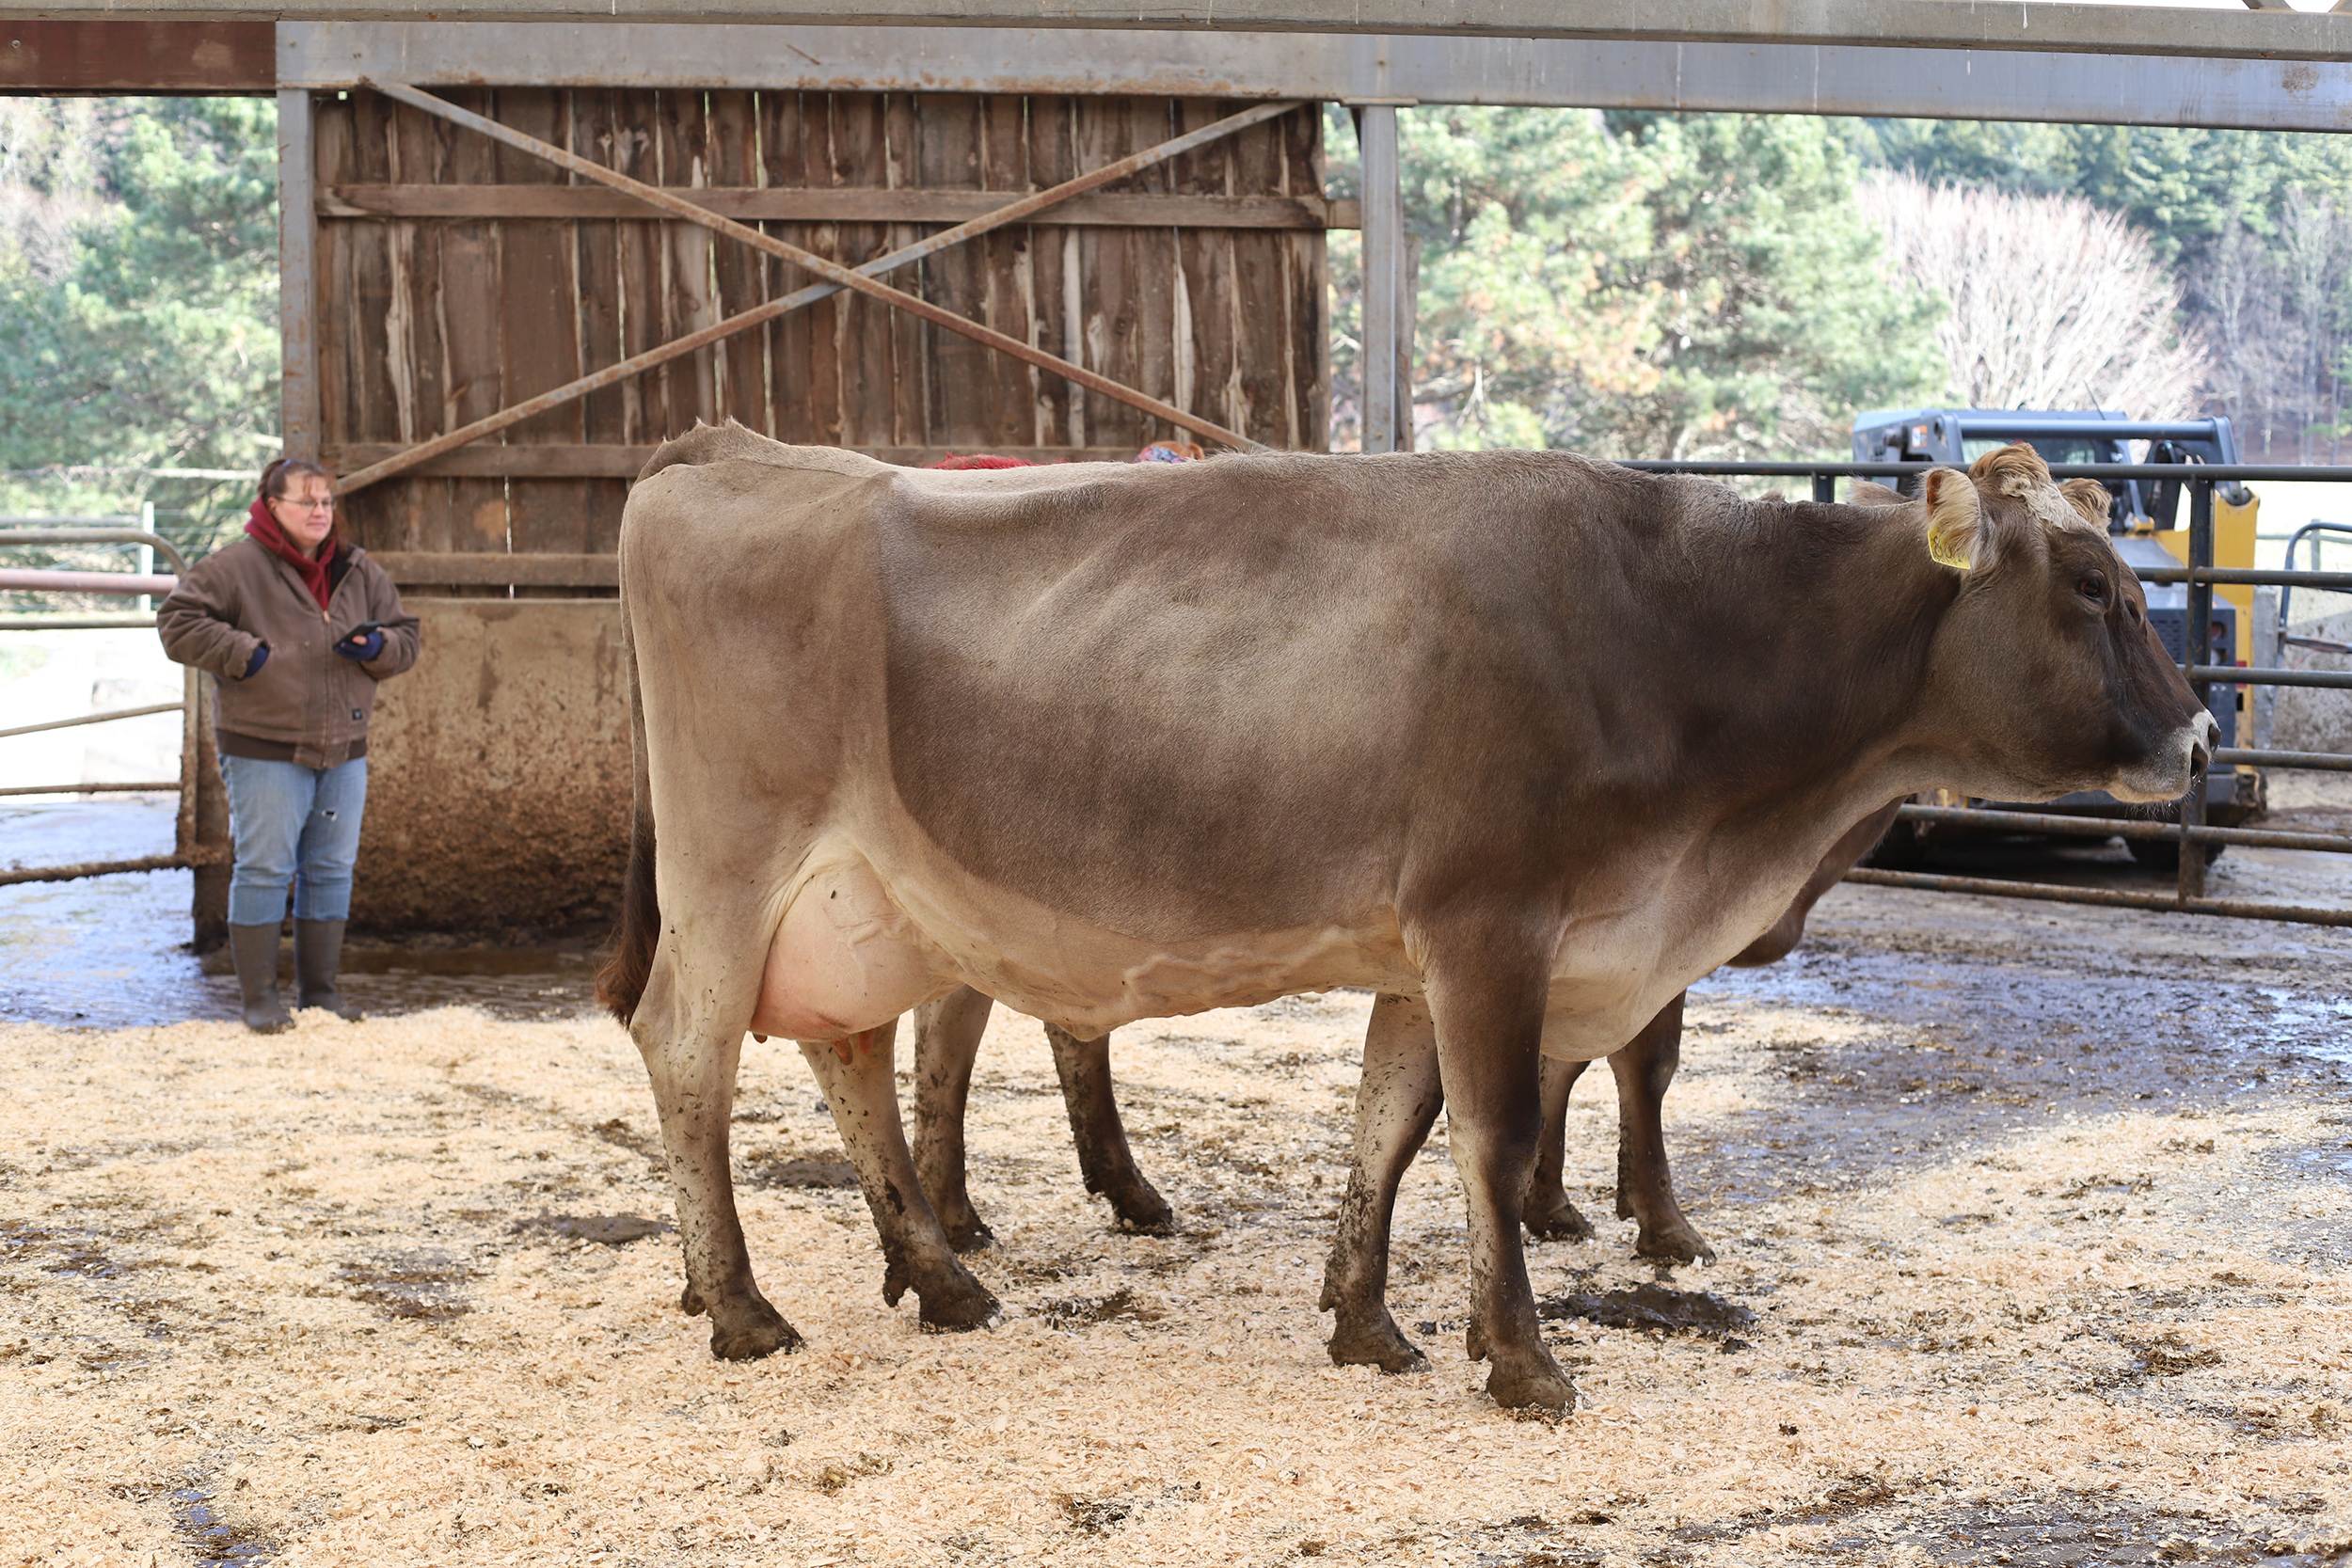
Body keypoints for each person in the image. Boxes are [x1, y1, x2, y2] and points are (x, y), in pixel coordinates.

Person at [157, 459, 421, 1032]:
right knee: (265, 869)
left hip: (344, 745)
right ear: (271, 506)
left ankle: (320, 996)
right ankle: (259, 1003)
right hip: (262, 746)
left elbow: (407, 636)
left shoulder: (357, 568)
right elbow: (177, 622)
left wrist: (377, 646)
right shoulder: (235, 566)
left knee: (330, 870)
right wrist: (243, 654)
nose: (321, 513)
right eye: (307, 502)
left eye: (326, 502)